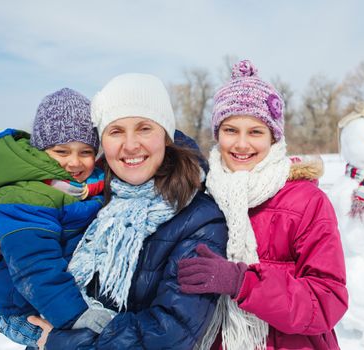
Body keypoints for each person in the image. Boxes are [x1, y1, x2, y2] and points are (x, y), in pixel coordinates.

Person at [22, 72, 226, 349]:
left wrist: (63, 342)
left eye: (144, 128)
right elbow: (36, 262)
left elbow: (169, 332)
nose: (130, 145)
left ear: (165, 136)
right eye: (116, 131)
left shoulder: (200, 219)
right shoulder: (90, 198)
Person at [177, 60, 348, 350]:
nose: (242, 144)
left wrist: (244, 283)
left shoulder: (307, 202)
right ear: (217, 134)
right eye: (231, 130)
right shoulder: (201, 196)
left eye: (255, 132)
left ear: (273, 136)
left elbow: (327, 300)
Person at [0, 87, 112, 348]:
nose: (74, 162)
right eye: (62, 151)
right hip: (28, 310)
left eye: (85, 152)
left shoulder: (83, 189)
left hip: (53, 302)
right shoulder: (27, 193)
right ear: (41, 151)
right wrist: (75, 315)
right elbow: (35, 264)